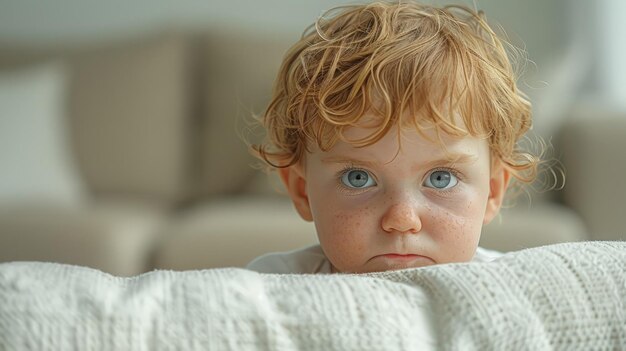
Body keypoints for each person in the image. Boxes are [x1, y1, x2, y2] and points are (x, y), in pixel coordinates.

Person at [246, 1, 540, 274]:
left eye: (441, 178)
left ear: (492, 191)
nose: (402, 219)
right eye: (358, 178)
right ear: (302, 190)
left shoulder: (508, 286)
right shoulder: (272, 287)